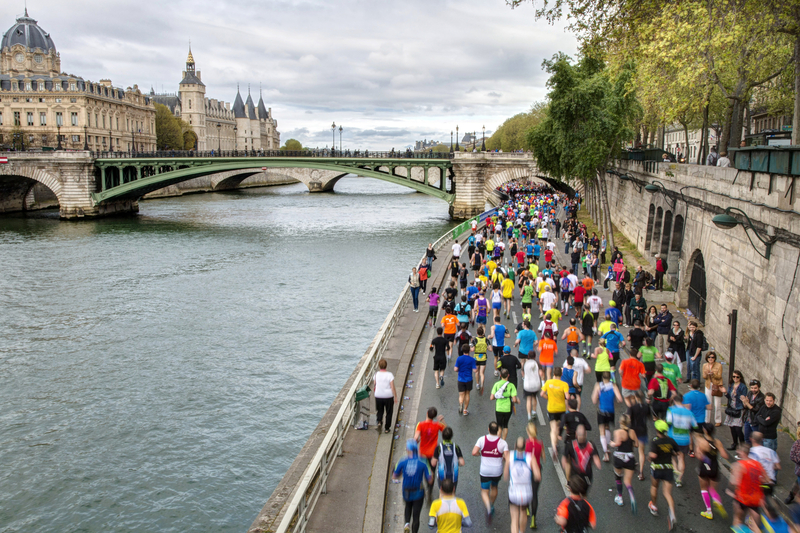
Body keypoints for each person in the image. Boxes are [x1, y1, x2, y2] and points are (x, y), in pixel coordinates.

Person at [393, 439, 433, 533]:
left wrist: (402, 473)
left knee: (408, 506)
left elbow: (395, 475)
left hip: (406, 490)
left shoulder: (402, 460)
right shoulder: (423, 460)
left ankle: (406, 523)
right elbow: (430, 480)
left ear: (408, 450)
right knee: (416, 515)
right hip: (418, 491)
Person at [472, 421, 509, 524]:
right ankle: (492, 505)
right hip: (497, 470)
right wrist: (502, 457)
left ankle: (488, 507)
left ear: (488, 429)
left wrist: (480, 454)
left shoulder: (482, 439)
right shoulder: (503, 443)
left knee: (484, 491)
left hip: (485, 470)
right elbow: (507, 458)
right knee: (494, 487)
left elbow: (474, 452)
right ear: (498, 431)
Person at [728, 442, 768, 532]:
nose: (737, 452)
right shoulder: (758, 464)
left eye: (738, 450)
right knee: (754, 525)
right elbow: (765, 480)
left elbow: (734, 482)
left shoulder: (738, 465)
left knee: (737, 520)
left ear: (742, 452)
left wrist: (730, 491)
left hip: (742, 498)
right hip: (756, 498)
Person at [506, 436, 541, 533]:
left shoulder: (510, 456)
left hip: (514, 491)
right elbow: (538, 476)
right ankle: (522, 531)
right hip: (526, 492)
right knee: (523, 511)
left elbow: (505, 475)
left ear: (515, 446)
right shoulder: (530, 457)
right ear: (525, 447)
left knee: (514, 518)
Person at [694, 422, 728, 520]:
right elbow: (725, 455)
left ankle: (709, 511)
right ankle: (717, 502)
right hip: (714, 467)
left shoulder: (700, 441)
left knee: (704, 489)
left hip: (704, 466)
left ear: (705, 430)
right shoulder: (717, 442)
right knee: (713, 490)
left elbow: (698, 455)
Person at [648, 419, 678, 530]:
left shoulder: (655, 442)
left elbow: (653, 455)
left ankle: (654, 505)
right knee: (667, 493)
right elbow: (676, 452)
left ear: (657, 430)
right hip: (668, 469)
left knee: (654, 487)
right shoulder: (671, 441)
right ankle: (672, 515)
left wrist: (649, 457)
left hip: (657, 468)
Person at [414, 407, 446, 500]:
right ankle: (430, 488)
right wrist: (442, 421)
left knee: (424, 470)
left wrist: (417, 440)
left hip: (423, 453)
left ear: (427, 413)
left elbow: (415, 438)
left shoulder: (420, 424)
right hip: (433, 454)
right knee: (432, 470)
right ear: (434, 416)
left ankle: (426, 483)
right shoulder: (438, 425)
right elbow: (447, 431)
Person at [666, 394, 698, 487]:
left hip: (672, 438)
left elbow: (668, 423)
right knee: (681, 458)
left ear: (674, 400)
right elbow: (695, 426)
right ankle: (679, 480)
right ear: (682, 400)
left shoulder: (671, 410)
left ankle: (675, 468)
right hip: (684, 439)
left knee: (671, 456)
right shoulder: (689, 412)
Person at [610, 414, 638, 513]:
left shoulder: (618, 432)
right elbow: (637, 444)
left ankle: (620, 498)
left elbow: (617, 444)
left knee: (618, 477)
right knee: (627, 481)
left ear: (620, 422)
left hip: (619, 457)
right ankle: (631, 494)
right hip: (630, 457)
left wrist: (611, 443)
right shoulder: (632, 432)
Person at [592, 371, 623, 462]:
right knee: (607, 427)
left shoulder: (598, 385)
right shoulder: (613, 386)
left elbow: (594, 400)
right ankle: (608, 447)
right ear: (610, 378)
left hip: (601, 410)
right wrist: (615, 399)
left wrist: (598, 397)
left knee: (602, 431)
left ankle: (605, 453)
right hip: (611, 411)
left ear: (602, 377)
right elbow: (620, 399)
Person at [542, 367, 571, 460]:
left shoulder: (548, 382)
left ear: (553, 374)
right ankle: (557, 443)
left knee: (553, 429)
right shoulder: (564, 384)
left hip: (551, 408)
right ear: (561, 375)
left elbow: (542, 394)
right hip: (561, 409)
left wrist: (548, 398)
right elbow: (567, 396)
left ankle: (554, 447)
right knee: (559, 427)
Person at [562, 424, 601, 491]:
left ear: (576, 434)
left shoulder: (571, 444)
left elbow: (564, 459)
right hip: (583, 474)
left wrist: (565, 465)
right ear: (586, 434)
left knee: (578, 493)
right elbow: (597, 460)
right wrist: (597, 463)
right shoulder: (590, 445)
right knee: (581, 493)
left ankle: (569, 484)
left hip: (578, 474)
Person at [431, 427, 465, 492]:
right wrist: (457, 463)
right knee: (452, 492)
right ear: (451, 436)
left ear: (442, 436)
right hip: (453, 475)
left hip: (442, 475)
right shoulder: (456, 447)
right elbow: (462, 462)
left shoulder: (438, 448)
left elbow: (433, 463)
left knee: (442, 492)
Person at [525, 422, 544, 529]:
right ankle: (533, 519)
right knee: (534, 494)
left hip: (527, 470)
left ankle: (526, 508)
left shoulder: (526, 443)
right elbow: (543, 457)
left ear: (528, 432)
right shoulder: (540, 443)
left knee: (526, 490)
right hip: (537, 470)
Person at [491, 368, 519, 441]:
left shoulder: (496, 384)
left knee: (499, 425)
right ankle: (503, 440)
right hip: (507, 408)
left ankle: (498, 441)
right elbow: (514, 399)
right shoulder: (511, 385)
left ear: (500, 375)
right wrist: (516, 401)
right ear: (508, 375)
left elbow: (491, 397)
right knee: (505, 425)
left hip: (499, 408)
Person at [628, 391, 650, 480]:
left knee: (631, 448)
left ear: (636, 397)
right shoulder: (646, 407)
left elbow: (629, 418)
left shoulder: (632, 408)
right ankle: (641, 472)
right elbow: (648, 417)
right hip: (643, 430)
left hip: (633, 430)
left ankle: (632, 462)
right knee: (641, 452)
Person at [725, 369, 747, 451]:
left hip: (738, 408)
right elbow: (729, 397)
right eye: (734, 376)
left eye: (737, 377)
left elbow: (743, 398)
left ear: (740, 377)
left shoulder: (743, 387)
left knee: (738, 428)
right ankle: (735, 443)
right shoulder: (731, 385)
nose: (735, 378)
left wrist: (736, 394)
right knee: (732, 427)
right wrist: (726, 393)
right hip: (732, 408)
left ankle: (742, 445)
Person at [373, 358, 397, 434]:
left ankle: (379, 421)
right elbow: (392, 387)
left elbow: (374, 384)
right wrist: (395, 396)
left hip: (378, 395)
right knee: (389, 412)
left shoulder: (376, 374)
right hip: (388, 396)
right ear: (386, 366)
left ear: (379, 366)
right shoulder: (390, 375)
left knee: (380, 410)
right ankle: (387, 428)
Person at [741, 378, 765, 444]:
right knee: (747, 438)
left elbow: (755, 410)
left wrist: (747, 403)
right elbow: (745, 407)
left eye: (755, 388)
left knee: (757, 440)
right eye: (752, 388)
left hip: (755, 421)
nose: (753, 390)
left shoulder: (761, 397)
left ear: (759, 388)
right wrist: (744, 403)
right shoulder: (750, 393)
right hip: (748, 419)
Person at [702, 351, 724, 426]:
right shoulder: (705, 365)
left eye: (712, 357)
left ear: (715, 358)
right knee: (708, 402)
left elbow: (719, 376)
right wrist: (706, 374)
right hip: (708, 384)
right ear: (707, 358)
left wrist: (713, 374)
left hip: (716, 385)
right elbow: (704, 377)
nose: (711, 358)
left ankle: (718, 420)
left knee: (717, 403)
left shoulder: (719, 365)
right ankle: (707, 419)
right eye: (709, 357)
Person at [454, 344, 476, 416]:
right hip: (469, 379)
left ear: (462, 350)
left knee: (461, 394)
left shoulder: (459, 359)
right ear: (469, 351)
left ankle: (460, 403)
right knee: (467, 394)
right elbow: (475, 370)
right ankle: (465, 410)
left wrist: (459, 370)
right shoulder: (472, 359)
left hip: (461, 379)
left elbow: (455, 369)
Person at [522, 350, 543, 420]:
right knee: (534, 397)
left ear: (528, 356)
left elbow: (523, 374)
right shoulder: (537, 363)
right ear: (535, 356)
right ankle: (534, 412)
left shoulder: (525, 364)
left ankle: (529, 415)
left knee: (528, 399)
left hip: (528, 385)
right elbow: (541, 374)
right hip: (536, 384)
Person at [471, 326, 488, 394]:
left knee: (476, 372)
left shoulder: (475, 340)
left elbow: (472, 349)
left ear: (477, 333)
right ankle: (482, 384)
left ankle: (477, 384)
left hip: (476, 357)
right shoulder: (486, 340)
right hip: (483, 357)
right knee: (482, 373)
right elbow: (490, 349)